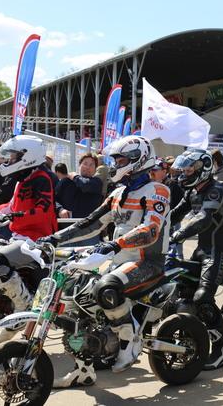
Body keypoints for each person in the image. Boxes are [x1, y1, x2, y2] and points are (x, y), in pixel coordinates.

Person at [39, 135, 170, 386]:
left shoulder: (157, 190)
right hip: (118, 261)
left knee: (106, 287)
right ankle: (84, 369)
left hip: (148, 262)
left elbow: (151, 230)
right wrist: (54, 239)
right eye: (115, 160)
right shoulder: (118, 193)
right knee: (75, 301)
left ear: (138, 159)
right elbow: (90, 223)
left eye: (120, 160)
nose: (115, 165)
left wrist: (115, 244)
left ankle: (129, 337)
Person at [0, 135, 58, 342]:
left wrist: (12, 217)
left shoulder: (42, 178)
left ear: (27, 156)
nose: (9, 160)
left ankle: (23, 306)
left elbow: (43, 211)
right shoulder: (22, 180)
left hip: (36, 240)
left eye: (13, 156)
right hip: (18, 237)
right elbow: (10, 207)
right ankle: (6, 304)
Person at [168, 149, 223, 370]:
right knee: (179, 292)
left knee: (202, 297)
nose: (184, 174)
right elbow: (174, 214)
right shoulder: (192, 192)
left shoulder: (218, 190)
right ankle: (190, 338)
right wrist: (152, 227)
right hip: (201, 251)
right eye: (184, 170)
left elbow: (204, 218)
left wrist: (178, 234)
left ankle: (221, 351)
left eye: (189, 170)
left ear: (203, 168)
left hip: (219, 252)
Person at [59, 153, 104, 219]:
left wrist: (75, 177)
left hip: (88, 223)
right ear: (79, 165)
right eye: (85, 163)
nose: (88, 167)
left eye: (91, 165)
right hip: (66, 222)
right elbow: (54, 198)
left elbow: (85, 185)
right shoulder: (66, 181)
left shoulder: (97, 182)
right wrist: (60, 210)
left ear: (95, 169)